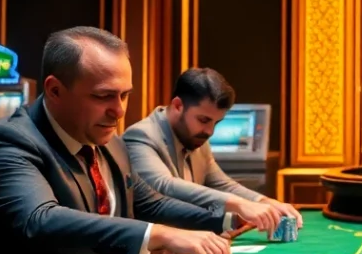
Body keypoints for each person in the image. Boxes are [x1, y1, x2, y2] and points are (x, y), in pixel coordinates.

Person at [0, 27, 232, 254]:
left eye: (124, 95)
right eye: (103, 96)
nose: (120, 110)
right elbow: (40, 221)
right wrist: (160, 235)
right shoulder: (7, 142)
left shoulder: (110, 143)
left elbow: (152, 204)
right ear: (55, 90)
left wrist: (226, 221)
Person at [123, 68, 301, 234]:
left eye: (216, 123)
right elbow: (164, 185)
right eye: (203, 120)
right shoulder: (141, 136)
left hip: (189, 242)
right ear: (178, 105)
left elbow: (222, 183)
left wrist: (262, 201)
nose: (209, 131)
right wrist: (239, 204)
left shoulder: (197, 137)